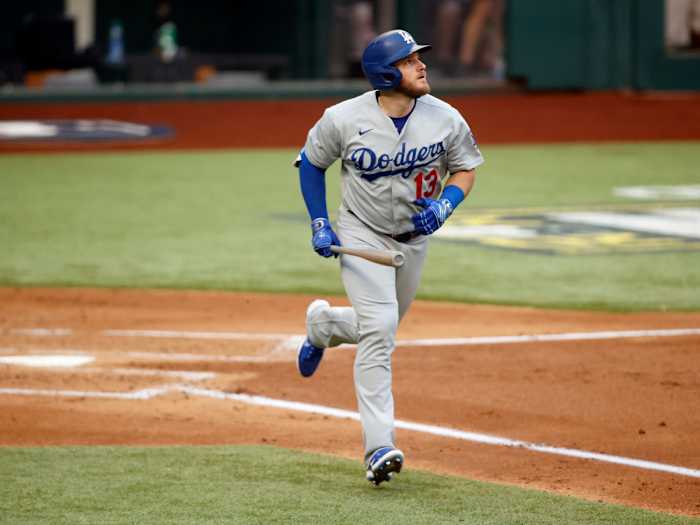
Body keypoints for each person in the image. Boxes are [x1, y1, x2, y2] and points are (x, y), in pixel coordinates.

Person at [294, 29, 483, 485]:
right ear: (384, 74)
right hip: (362, 234)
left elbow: (465, 167)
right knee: (380, 330)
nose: (421, 65)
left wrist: (445, 205)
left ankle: (322, 326)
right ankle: (379, 445)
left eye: (420, 57)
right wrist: (320, 221)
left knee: (380, 323)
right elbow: (312, 162)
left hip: (412, 240)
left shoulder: (446, 118)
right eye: (409, 60)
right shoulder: (342, 118)